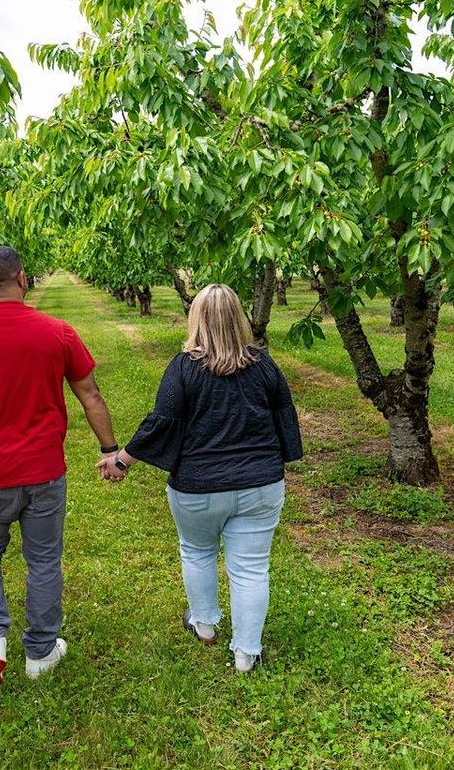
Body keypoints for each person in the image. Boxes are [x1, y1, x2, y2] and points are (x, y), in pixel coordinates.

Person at [0, 247, 124, 687]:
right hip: (43, 472)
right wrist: (110, 448)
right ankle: (39, 652)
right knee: (42, 560)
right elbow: (90, 394)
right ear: (22, 278)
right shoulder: (57, 332)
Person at [100, 283, 303, 672]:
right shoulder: (263, 365)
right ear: (239, 318)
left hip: (198, 487)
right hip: (260, 485)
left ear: (196, 319)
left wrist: (122, 460)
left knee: (197, 552)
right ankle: (247, 653)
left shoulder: (183, 368)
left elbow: (163, 423)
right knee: (251, 567)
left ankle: (205, 626)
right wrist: (281, 459)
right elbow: (283, 416)